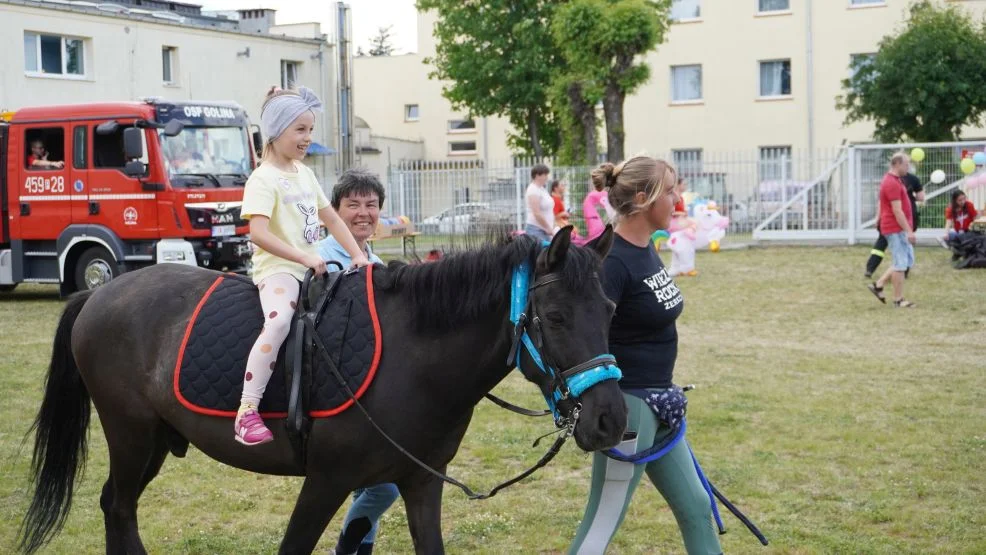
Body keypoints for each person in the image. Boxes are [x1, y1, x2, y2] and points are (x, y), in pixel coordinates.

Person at [568, 156, 723, 555]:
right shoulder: (610, 262)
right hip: (631, 411)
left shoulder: (644, 249)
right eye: (670, 191)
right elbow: (585, 340)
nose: (677, 199)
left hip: (661, 404)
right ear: (642, 199)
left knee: (696, 506)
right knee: (601, 522)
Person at [236, 85, 370, 446]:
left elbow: (333, 220)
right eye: (300, 130)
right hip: (279, 270)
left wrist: (358, 254)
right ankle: (247, 411)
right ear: (277, 131)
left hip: (313, 269)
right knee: (278, 321)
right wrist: (305, 257)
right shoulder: (262, 179)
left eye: (310, 130)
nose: (307, 138)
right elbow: (258, 234)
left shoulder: (305, 174)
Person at [315, 169, 398, 555]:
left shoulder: (373, 260)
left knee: (371, 486)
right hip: (338, 393)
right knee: (385, 485)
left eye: (371, 204)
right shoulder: (323, 259)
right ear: (334, 211)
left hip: (370, 389)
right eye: (353, 205)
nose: (363, 213)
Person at [867, 153, 916, 308]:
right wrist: (909, 230)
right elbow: (897, 211)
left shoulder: (895, 180)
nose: (908, 167)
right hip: (895, 229)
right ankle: (898, 300)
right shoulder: (891, 183)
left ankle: (879, 285)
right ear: (897, 164)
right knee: (900, 264)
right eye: (906, 164)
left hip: (898, 228)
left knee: (906, 260)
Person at [865, 172, 924, 278]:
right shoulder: (913, 179)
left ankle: (870, 268)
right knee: (905, 245)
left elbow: (881, 201)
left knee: (881, 243)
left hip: (888, 218)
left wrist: (878, 217)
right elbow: (921, 197)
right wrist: (911, 196)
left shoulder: (887, 180)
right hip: (905, 217)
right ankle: (903, 271)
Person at [525, 164, 554, 241]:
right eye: (545, 175)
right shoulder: (533, 190)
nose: (547, 178)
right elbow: (536, 213)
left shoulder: (541, 189)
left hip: (544, 230)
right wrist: (548, 228)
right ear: (537, 175)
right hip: (536, 230)